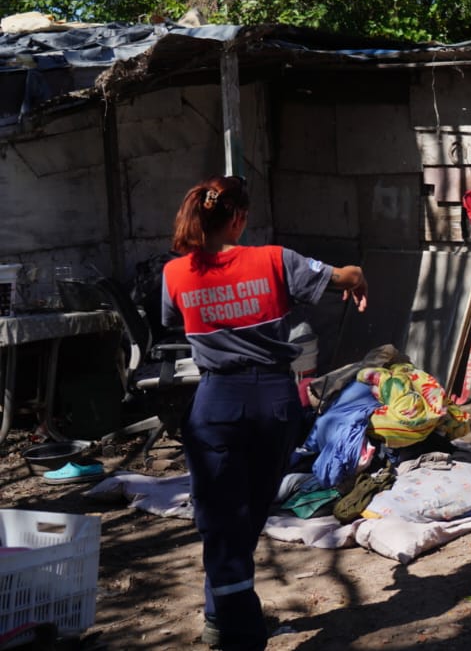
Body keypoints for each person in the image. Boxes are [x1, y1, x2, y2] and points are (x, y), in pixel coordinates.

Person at [160, 175, 368, 651]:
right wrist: (357, 276)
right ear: (237, 217)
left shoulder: (175, 273)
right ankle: (240, 630)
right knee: (245, 518)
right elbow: (341, 277)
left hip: (214, 403)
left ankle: (225, 620)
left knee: (221, 521)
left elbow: (173, 318)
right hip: (272, 402)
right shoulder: (274, 260)